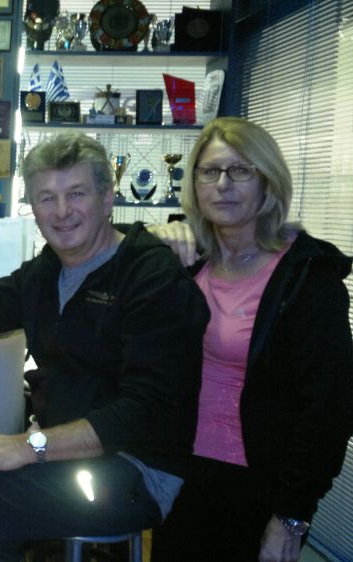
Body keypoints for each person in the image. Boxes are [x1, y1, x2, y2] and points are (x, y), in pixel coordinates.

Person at [0, 132, 210, 560]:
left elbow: (141, 414)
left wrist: (26, 448)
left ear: (107, 199)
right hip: (64, 457)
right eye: (46, 198)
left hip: (134, 473)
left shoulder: (151, 275)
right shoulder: (46, 273)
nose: (61, 211)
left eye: (76, 194)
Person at [146, 117, 353, 562]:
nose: (223, 185)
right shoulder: (186, 263)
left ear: (267, 182)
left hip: (257, 489)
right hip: (178, 475)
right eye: (210, 171)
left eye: (240, 171)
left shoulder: (308, 278)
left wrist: (292, 515)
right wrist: (150, 241)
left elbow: (329, 409)